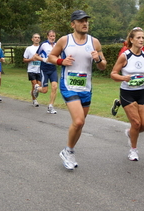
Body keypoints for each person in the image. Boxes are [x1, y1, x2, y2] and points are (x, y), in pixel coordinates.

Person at [48, 10, 107, 170]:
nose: (85, 23)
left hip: (86, 87)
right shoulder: (64, 40)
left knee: (80, 124)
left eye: (86, 20)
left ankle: (68, 151)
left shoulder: (94, 42)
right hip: (68, 85)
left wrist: (98, 59)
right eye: (81, 21)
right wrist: (62, 60)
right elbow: (50, 57)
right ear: (73, 24)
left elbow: (103, 66)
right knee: (79, 120)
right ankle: (69, 150)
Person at [110, 27, 144, 161]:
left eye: (143, 38)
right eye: (138, 38)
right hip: (127, 92)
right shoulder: (125, 56)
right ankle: (133, 150)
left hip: (141, 92)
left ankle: (130, 133)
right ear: (131, 40)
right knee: (136, 123)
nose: (141, 40)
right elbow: (113, 74)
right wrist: (124, 78)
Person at [33, 30, 59, 114]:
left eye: (53, 36)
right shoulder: (43, 45)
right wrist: (43, 59)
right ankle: (37, 88)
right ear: (47, 36)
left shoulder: (56, 45)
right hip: (44, 69)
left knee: (54, 87)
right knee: (44, 90)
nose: (52, 38)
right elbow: (35, 56)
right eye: (51, 36)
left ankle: (50, 106)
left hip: (53, 68)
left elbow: (58, 55)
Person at [23, 33, 41, 107]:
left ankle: (32, 92)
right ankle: (34, 100)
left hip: (40, 70)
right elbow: (24, 59)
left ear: (40, 39)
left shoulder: (42, 48)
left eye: (38, 37)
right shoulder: (29, 48)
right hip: (31, 70)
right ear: (32, 39)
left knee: (39, 86)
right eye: (35, 37)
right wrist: (31, 59)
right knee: (35, 85)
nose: (37, 39)